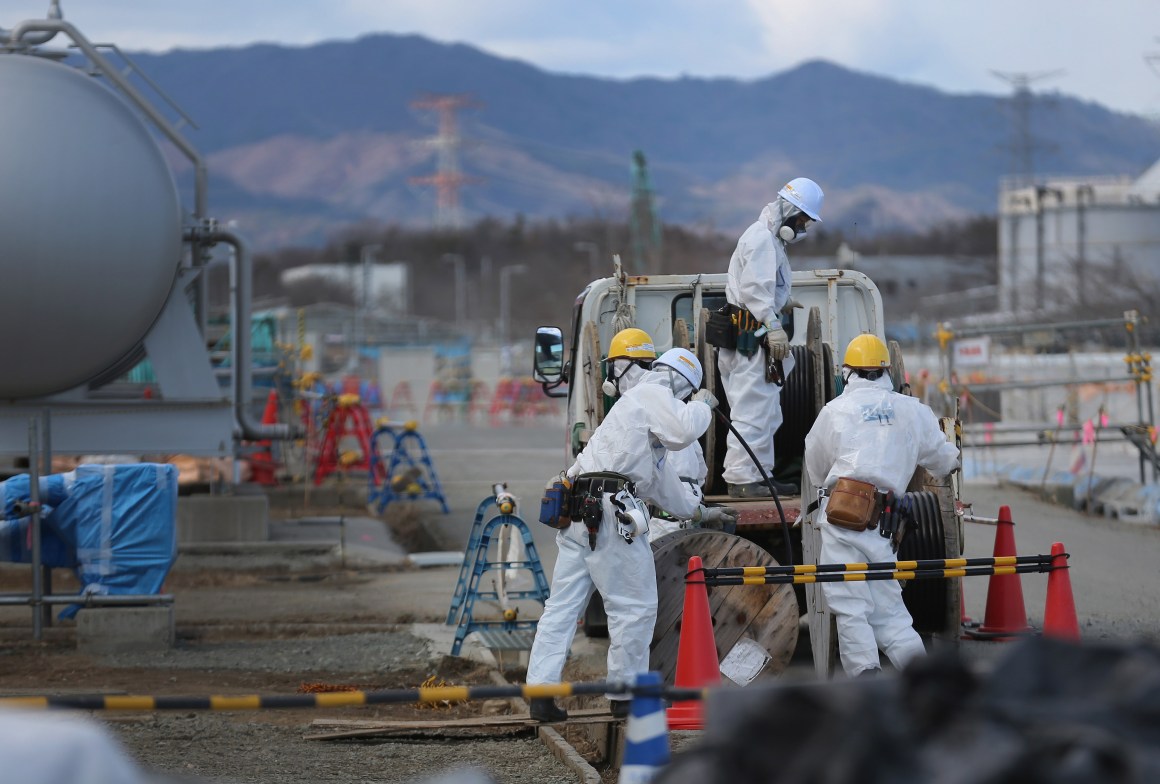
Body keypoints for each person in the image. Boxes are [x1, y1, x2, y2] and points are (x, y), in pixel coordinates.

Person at [527, 347, 718, 722]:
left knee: (562, 608)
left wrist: (699, 511)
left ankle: (541, 694)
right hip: (611, 511)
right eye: (686, 394)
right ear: (681, 382)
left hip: (581, 512)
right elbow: (682, 431)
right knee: (634, 606)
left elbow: (664, 487)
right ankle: (625, 697)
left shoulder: (633, 413)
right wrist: (704, 407)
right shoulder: (655, 393)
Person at [803, 334, 960, 678]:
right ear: (886, 371)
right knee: (889, 610)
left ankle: (865, 677)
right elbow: (944, 460)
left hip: (843, 517)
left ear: (848, 372)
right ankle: (926, 678)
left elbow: (815, 465)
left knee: (850, 606)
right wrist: (953, 449)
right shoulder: (913, 410)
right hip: (885, 523)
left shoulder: (834, 411)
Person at [719, 177, 824, 498]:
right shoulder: (762, 239)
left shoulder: (770, 240)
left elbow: (762, 286)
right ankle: (740, 479)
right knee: (752, 412)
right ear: (790, 211)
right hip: (752, 337)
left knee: (766, 411)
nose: (804, 227)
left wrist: (780, 301)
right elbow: (753, 290)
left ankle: (759, 476)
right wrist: (772, 322)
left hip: (754, 337)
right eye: (803, 219)